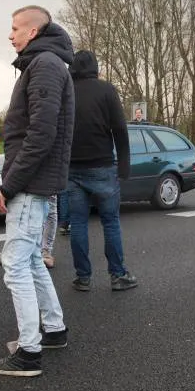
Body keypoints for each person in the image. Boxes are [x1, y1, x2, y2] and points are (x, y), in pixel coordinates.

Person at [0, 6, 74, 378]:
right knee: (33, 259)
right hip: (37, 180)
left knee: (16, 264)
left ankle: (28, 352)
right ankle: (53, 330)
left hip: (31, 181)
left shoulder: (45, 66)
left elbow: (40, 134)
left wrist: (10, 183)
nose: (10, 35)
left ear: (34, 31)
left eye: (15, 28)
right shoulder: (46, 64)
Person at [66, 49, 136, 292]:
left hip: (72, 169)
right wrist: (124, 165)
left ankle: (82, 277)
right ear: (95, 67)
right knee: (110, 222)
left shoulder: (66, 90)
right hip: (103, 166)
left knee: (78, 223)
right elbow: (119, 128)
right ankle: (118, 275)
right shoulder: (106, 90)